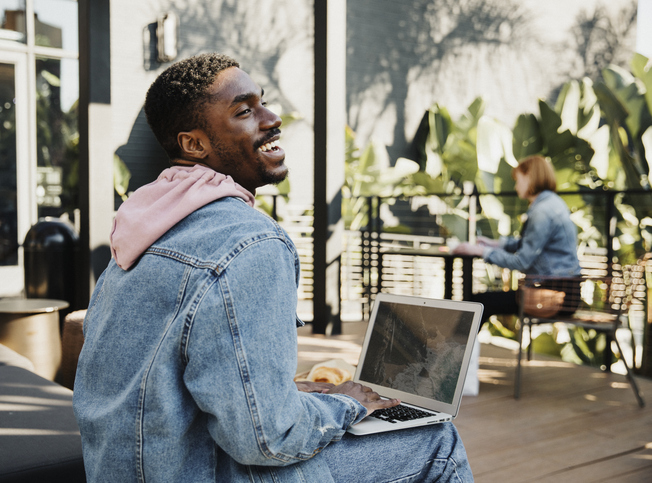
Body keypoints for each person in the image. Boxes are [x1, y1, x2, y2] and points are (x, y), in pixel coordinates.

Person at [72, 53, 473, 482]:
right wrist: (348, 402)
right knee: (437, 442)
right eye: (244, 111)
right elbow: (268, 440)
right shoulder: (251, 242)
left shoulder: (142, 226)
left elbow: (169, 385)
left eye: (262, 102)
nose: (272, 117)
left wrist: (289, 392)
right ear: (194, 144)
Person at [452, 155, 581, 322]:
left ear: (529, 177)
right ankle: (462, 348)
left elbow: (521, 262)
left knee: (478, 304)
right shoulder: (552, 203)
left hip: (554, 296)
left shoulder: (541, 212)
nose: (516, 186)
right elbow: (529, 245)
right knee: (480, 303)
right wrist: (496, 244)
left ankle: (454, 348)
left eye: (518, 180)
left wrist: (481, 250)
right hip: (564, 293)